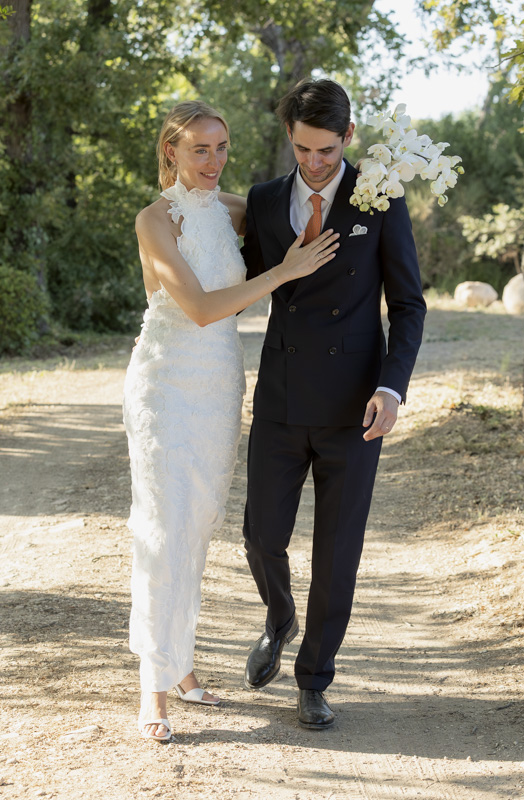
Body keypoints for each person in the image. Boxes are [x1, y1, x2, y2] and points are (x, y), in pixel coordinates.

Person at [122, 100, 340, 741]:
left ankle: (182, 667)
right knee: (163, 528)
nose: (214, 160)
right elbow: (197, 307)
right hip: (165, 383)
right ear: (172, 151)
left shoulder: (236, 210)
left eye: (221, 148)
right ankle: (154, 687)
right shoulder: (154, 220)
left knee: (196, 525)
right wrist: (282, 272)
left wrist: (372, 183)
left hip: (219, 385)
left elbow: (305, 206)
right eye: (200, 149)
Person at [241, 79, 427, 729]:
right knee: (260, 536)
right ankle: (279, 617)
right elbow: (241, 283)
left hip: (355, 406)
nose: (315, 163)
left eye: (326, 149)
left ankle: (314, 677)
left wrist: (391, 386)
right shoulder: (265, 201)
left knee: (336, 552)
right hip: (281, 395)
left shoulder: (381, 197)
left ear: (349, 136)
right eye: (302, 150)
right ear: (289, 138)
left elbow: (408, 305)